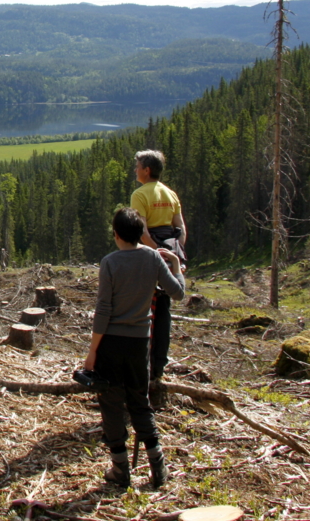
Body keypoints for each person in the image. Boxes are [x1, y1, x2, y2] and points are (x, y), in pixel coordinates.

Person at [83, 207, 185, 489]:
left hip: (111, 344)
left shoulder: (110, 263)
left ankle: (120, 470)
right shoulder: (153, 258)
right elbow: (178, 293)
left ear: (115, 234)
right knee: (140, 402)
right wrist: (176, 267)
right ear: (140, 233)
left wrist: (92, 352)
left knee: (112, 404)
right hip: (141, 343)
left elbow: (103, 310)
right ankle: (158, 467)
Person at [130, 150, 187, 401]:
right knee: (163, 310)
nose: (135, 169)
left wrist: (156, 253)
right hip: (171, 251)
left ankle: (142, 369)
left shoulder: (140, 195)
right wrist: (175, 254)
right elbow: (181, 228)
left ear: (146, 170)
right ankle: (158, 368)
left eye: (137, 165)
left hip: (149, 255)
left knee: (142, 310)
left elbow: (141, 231)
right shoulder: (170, 193)